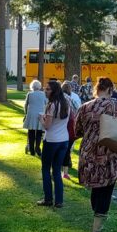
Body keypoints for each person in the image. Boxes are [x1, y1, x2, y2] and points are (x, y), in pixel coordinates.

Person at [76, 76, 117, 232]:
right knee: (106, 189)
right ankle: (97, 229)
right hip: (110, 155)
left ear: (97, 89)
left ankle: (97, 219)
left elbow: (77, 130)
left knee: (96, 188)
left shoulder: (85, 107)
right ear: (110, 90)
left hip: (89, 154)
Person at [38, 80, 71, 208]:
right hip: (64, 140)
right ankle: (59, 201)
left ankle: (48, 199)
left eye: (48, 89)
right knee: (57, 171)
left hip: (52, 140)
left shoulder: (52, 105)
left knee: (46, 169)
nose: (45, 91)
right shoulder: (66, 103)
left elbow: (47, 126)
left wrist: (41, 119)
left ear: (54, 91)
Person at [61, 82, 82, 181]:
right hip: (70, 128)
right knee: (67, 149)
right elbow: (79, 110)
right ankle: (65, 172)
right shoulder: (71, 99)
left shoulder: (58, 99)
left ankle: (58, 169)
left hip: (61, 127)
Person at [23, 79, 47, 157]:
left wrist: (26, 113)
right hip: (40, 114)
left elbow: (26, 105)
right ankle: (37, 148)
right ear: (39, 86)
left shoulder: (30, 94)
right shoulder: (43, 94)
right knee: (39, 133)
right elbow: (46, 104)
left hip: (31, 114)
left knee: (31, 132)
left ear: (32, 86)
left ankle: (32, 150)